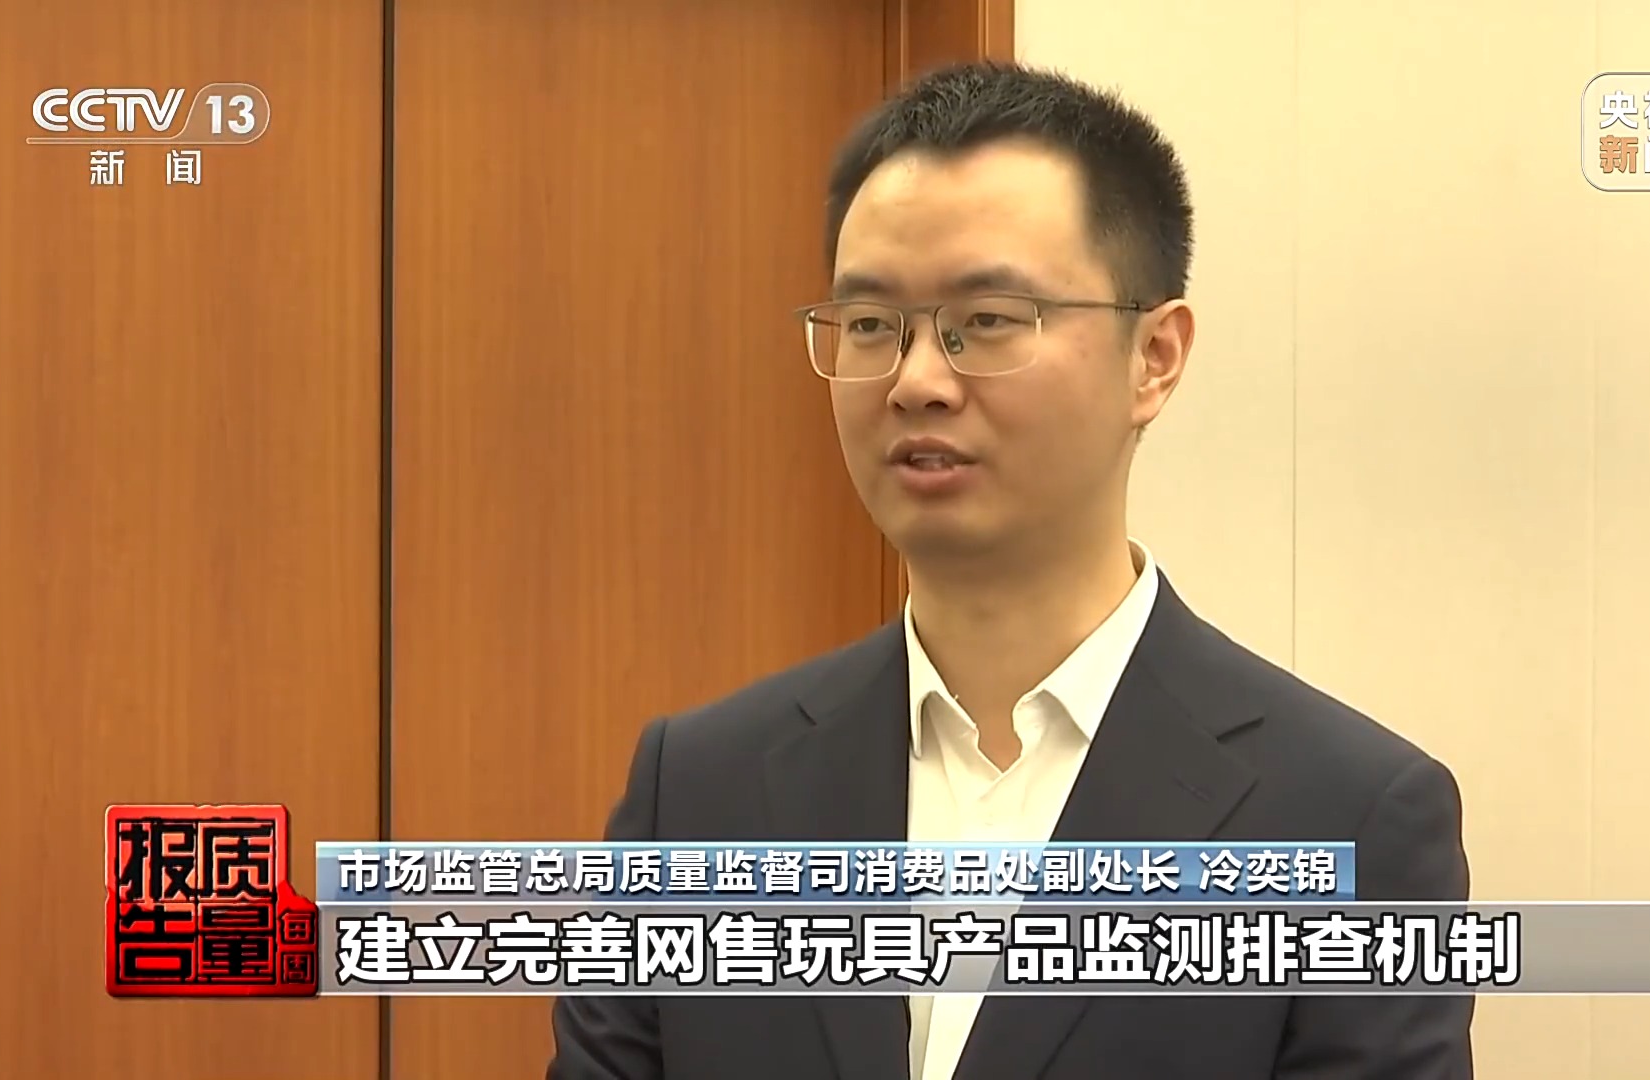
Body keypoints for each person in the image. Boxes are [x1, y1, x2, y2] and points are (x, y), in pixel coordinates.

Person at [548, 61, 1472, 1080]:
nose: (917, 381)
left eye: (986, 320)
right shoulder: (698, 791)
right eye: (871, 325)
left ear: (1155, 357)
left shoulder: (1345, 817)